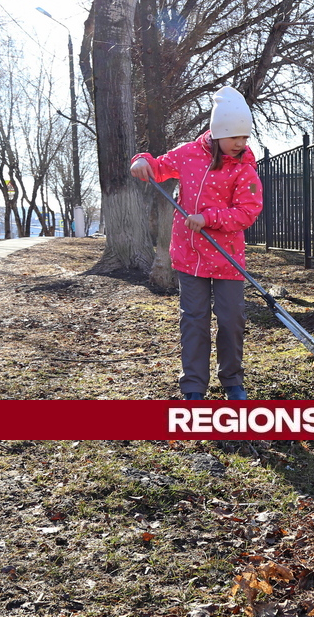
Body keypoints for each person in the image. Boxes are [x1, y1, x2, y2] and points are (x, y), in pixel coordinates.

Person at [130, 85, 263, 401]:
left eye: (245, 138)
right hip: (189, 256)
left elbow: (247, 213)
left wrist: (208, 218)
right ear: (218, 133)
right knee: (194, 322)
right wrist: (140, 160)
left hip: (227, 258)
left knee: (231, 321)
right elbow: (158, 167)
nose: (241, 144)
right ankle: (193, 387)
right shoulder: (188, 154)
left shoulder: (244, 169)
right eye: (235, 138)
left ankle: (232, 381)